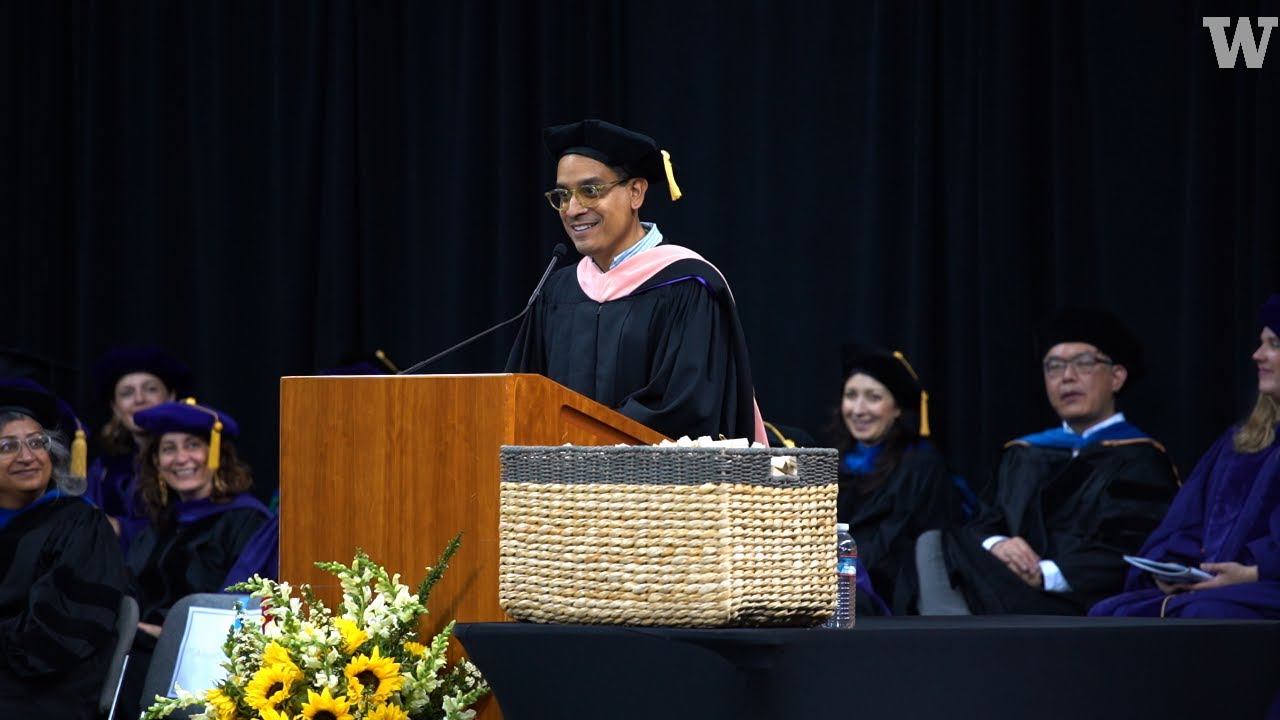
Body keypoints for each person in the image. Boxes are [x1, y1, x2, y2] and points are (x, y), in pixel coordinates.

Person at [506, 118, 766, 444]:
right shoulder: (558, 293)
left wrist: (587, 445)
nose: (572, 209)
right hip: (562, 491)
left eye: (590, 191)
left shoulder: (686, 284)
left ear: (635, 192)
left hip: (654, 490)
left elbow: (686, 409)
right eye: (562, 195)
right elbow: (524, 398)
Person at [929, 308, 1180, 614]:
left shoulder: (1142, 459)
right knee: (935, 542)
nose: (1067, 377)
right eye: (1053, 366)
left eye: (1084, 364)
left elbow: (1133, 549)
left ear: (1116, 377)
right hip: (1006, 583)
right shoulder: (1023, 453)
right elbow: (985, 521)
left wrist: (1046, 574)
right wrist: (998, 544)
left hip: (1082, 603)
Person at [1090, 295, 1280, 619]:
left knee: (1208, 614)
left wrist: (1253, 572)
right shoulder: (1244, 440)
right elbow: (1188, 520)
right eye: (1261, 343)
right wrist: (1174, 566)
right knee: (1109, 613)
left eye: (1273, 344)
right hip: (1216, 587)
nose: (1257, 355)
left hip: (1264, 586)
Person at [118, 399, 270, 720]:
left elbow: (246, 604)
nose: (181, 458)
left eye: (193, 445)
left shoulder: (245, 522)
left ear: (218, 455)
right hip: (139, 659)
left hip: (205, 672)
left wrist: (166, 634)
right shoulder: (158, 526)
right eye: (168, 449)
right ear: (156, 463)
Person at [0, 384, 127, 719]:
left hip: (42, 692)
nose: (27, 456)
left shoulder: (81, 525)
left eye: (37, 442)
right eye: (7, 446)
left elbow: (50, 641)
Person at [834, 344, 955, 615]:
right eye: (850, 396)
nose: (858, 409)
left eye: (873, 397)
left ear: (897, 408)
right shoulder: (834, 463)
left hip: (887, 592)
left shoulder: (920, 467)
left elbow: (904, 546)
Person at [85, 345, 193, 547]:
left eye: (151, 389)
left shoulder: (190, 460)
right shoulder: (103, 469)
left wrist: (121, 528)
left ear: (171, 397)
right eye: (127, 393)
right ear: (116, 408)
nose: (139, 399)